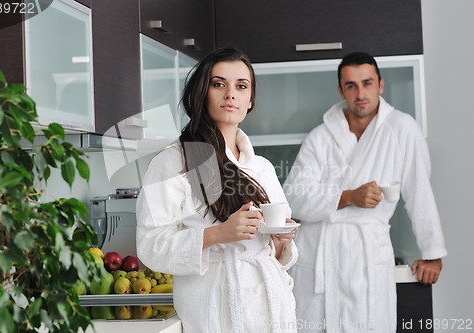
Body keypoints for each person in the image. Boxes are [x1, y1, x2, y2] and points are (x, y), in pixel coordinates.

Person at [136, 46, 299, 332]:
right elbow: (150, 245)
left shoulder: (262, 168)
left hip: (270, 307)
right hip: (215, 309)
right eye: (218, 84)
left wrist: (281, 239)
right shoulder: (174, 161)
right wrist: (218, 235)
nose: (230, 94)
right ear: (202, 93)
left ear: (251, 100)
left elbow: (274, 249)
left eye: (241, 86)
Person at [283, 52, 447, 332]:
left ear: (380, 85)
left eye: (367, 83)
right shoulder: (321, 137)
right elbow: (294, 198)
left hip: (366, 254)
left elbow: (420, 191)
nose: (360, 93)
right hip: (321, 254)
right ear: (341, 91)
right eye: (351, 85)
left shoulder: (402, 129)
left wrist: (432, 253)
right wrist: (348, 197)